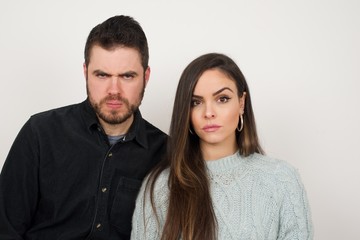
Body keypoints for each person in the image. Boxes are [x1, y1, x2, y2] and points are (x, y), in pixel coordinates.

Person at [0, 15, 167, 240]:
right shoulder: (39, 134)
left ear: (146, 77)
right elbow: (6, 229)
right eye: (102, 75)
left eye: (127, 76)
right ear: (85, 72)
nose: (114, 90)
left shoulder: (166, 154)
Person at [131, 53, 313, 240]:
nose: (209, 113)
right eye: (196, 102)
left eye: (222, 99)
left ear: (241, 103)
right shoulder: (161, 186)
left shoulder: (282, 180)